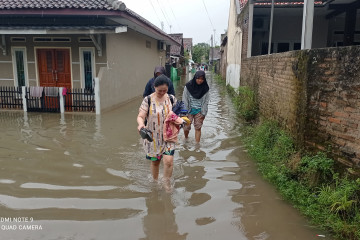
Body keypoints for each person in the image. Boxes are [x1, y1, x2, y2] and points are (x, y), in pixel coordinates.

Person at [137, 74, 178, 189]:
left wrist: (182, 120)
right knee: (155, 162)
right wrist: (141, 124)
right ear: (154, 87)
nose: (162, 93)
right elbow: (140, 116)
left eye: (165, 90)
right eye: (160, 90)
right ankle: (155, 182)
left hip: (169, 135)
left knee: (169, 160)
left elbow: (178, 113)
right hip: (153, 137)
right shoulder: (148, 100)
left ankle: (166, 183)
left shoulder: (171, 99)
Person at [182, 70, 210, 143]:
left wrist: (203, 113)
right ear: (195, 77)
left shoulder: (205, 88)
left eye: (202, 79)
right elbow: (184, 99)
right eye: (198, 78)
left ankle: (197, 145)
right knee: (186, 127)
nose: (200, 80)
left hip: (199, 111)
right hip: (189, 110)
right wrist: (184, 112)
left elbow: (206, 102)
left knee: (198, 128)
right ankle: (186, 138)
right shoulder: (188, 86)